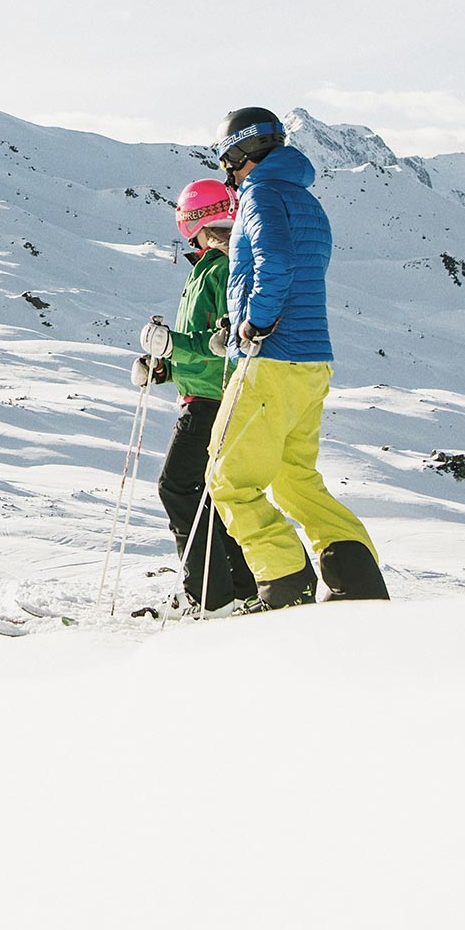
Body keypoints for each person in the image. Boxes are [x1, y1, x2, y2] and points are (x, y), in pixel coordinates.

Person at [142, 108, 389, 610]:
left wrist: (254, 322)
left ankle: (285, 587)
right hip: (311, 361)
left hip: (269, 359)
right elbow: (300, 265)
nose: (226, 171)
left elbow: (273, 259)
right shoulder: (305, 200)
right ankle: (354, 578)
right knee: (294, 479)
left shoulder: (260, 194)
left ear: (238, 152)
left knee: (226, 481)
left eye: (225, 158)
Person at [133, 180, 258, 618]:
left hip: (211, 399)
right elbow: (207, 343)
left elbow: (221, 342)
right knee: (207, 494)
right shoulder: (208, 266)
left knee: (177, 487)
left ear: (191, 222)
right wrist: (163, 366)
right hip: (203, 393)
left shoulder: (221, 267)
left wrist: (174, 346)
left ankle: (209, 596)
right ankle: (241, 589)